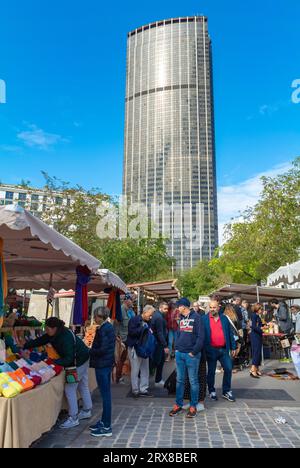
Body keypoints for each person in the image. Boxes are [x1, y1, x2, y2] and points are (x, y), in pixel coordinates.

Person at [23, 317, 92, 429]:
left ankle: (73, 417)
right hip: (83, 357)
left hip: (78, 362)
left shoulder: (65, 338)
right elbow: (42, 339)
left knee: (70, 388)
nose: (46, 331)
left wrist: (52, 363)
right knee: (83, 384)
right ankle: (87, 410)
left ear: (54, 328)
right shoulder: (56, 333)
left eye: (48, 329)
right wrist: (26, 346)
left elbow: (68, 358)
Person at [169, 298, 204, 419]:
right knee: (180, 380)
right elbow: (178, 333)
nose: (177, 308)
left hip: (191, 355)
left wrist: (193, 352)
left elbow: (201, 337)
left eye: (178, 306)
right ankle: (178, 404)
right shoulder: (182, 318)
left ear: (183, 306)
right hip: (180, 354)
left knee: (193, 380)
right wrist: (177, 349)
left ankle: (193, 406)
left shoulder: (197, 317)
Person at [203, 300, 237, 403]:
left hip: (223, 349)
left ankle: (226, 391)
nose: (212, 309)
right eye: (211, 307)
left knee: (228, 368)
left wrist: (233, 347)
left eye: (214, 307)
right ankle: (211, 391)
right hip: (211, 349)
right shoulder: (204, 319)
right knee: (211, 372)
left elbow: (230, 333)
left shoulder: (224, 318)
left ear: (218, 307)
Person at [89, 307, 116, 438]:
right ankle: (104, 422)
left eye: (95, 316)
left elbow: (103, 349)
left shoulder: (106, 329)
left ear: (100, 317)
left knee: (105, 396)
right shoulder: (106, 327)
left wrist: (89, 350)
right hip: (105, 363)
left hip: (103, 364)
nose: (94, 319)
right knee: (105, 395)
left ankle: (106, 426)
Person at [126, 305, 155, 398]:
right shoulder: (134, 320)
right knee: (135, 369)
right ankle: (135, 390)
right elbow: (131, 332)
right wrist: (143, 329)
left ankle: (143, 389)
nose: (150, 317)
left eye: (151, 315)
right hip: (135, 348)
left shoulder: (148, 321)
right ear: (145, 312)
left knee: (145, 369)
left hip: (144, 348)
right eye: (149, 315)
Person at [150, 302, 169, 387]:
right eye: (165, 309)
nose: (166, 311)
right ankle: (142, 378)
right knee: (155, 362)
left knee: (160, 361)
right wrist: (165, 345)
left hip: (158, 343)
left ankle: (158, 380)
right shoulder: (159, 318)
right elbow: (160, 333)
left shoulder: (159, 316)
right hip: (158, 343)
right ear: (160, 308)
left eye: (167, 309)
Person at [249, 303, 264, 378]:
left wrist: (264, 326)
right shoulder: (254, 315)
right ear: (257, 309)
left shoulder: (257, 316)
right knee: (256, 352)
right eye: (261, 309)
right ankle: (253, 369)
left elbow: (258, 326)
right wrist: (262, 330)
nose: (262, 310)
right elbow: (253, 326)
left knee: (258, 352)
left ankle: (257, 368)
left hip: (257, 335)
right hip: (255, 336)